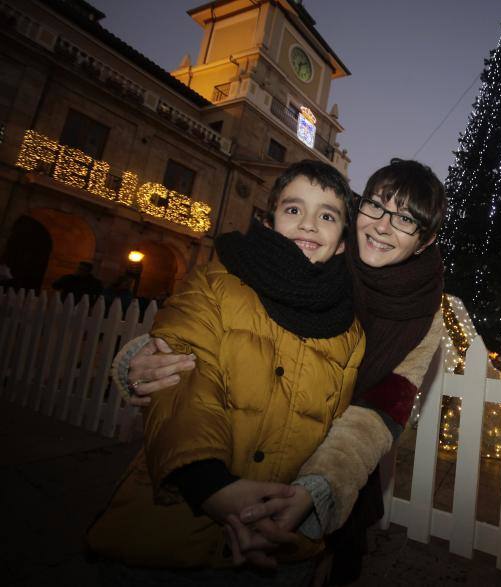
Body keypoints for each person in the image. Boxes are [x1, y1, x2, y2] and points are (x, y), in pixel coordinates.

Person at [113, 159, 448, 583]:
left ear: (424, 241)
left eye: (406, 219)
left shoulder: (422, 312)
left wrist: (316, 492)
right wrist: (144, 355)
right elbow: (214, 323)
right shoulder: (317, 256)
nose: (383, 226)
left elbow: (381, 411)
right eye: (377, 207)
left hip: (322, 467)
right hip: (201, 481)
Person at [87, 159, 365, 585]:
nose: (309, 224)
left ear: (342, 242)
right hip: (176, 526)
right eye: (294, 210)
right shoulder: (214, 283)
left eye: (327, 216)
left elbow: (336, 431)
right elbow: (182, 376)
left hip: (280, 541)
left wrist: (304, 506)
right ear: (270, 222)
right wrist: (211, 487)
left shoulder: (349, 330)